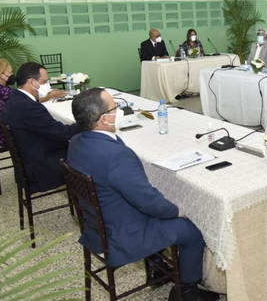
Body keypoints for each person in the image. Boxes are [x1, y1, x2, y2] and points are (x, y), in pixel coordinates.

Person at [66, 88, 218, 301]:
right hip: (121, 234)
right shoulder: (115, 155)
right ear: (103, 119)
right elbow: (147, 202)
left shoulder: (76, 142)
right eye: (114, 108)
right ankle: (186, 292)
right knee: (192, 230)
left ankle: (155, 267)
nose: (118, 110)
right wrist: (177, 211)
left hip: (97, 225)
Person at [0, 62, 80, 193]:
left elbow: (47, 127)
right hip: (39, 168)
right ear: (31, 82)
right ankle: (90, 203)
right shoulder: (30, 107)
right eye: (44, 81)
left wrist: (63, 127)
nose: (48, 85)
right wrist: (83, 124)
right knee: (87, 153)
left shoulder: (13, 99)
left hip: (26, 162)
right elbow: (63, 133)